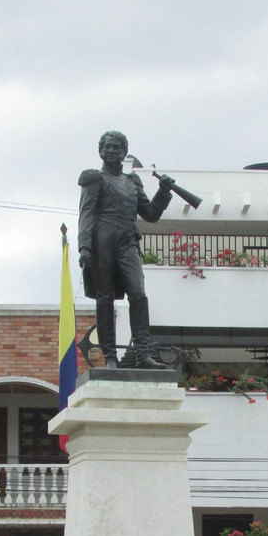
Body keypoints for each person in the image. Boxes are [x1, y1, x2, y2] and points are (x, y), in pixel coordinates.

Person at [77, 130, 175, 369]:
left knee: (138, 294)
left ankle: (143, 354)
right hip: (102, 240)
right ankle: (110, 357)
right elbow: (87, 213)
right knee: (105, 298)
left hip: (127, 241)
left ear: (125, 152)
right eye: (107, 147)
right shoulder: (94, 179)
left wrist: (163, 192)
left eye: (116, 148)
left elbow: (150, 214)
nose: (111, 151)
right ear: (101, 150)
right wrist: (84, 246)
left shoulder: (132, 182)